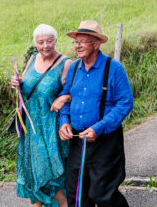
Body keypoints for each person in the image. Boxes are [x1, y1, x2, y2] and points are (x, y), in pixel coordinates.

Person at [59, 20, 133, 207]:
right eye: (76, 42)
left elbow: (125, 103)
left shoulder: (113, 68)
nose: (77, 46)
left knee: (102, 194)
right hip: (77, 140)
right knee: (76, 196)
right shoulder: (74, 67)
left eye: (83, 41)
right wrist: (64, 121)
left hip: (105, 141)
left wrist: (99, 128)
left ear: (96, 44)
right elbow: (66, 96)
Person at [11, 24, 72, 207]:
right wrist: (17, 83)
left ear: (56, 41)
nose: (45, 46)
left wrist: (64, 98)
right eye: (41, 42)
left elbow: (75, 93)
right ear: (35, 43)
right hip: (30, 130)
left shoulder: (66, 63)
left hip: (51, 131)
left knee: (53, 178)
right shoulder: (32, 59)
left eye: (49, 41)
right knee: (33, 177)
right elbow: (26, 87)